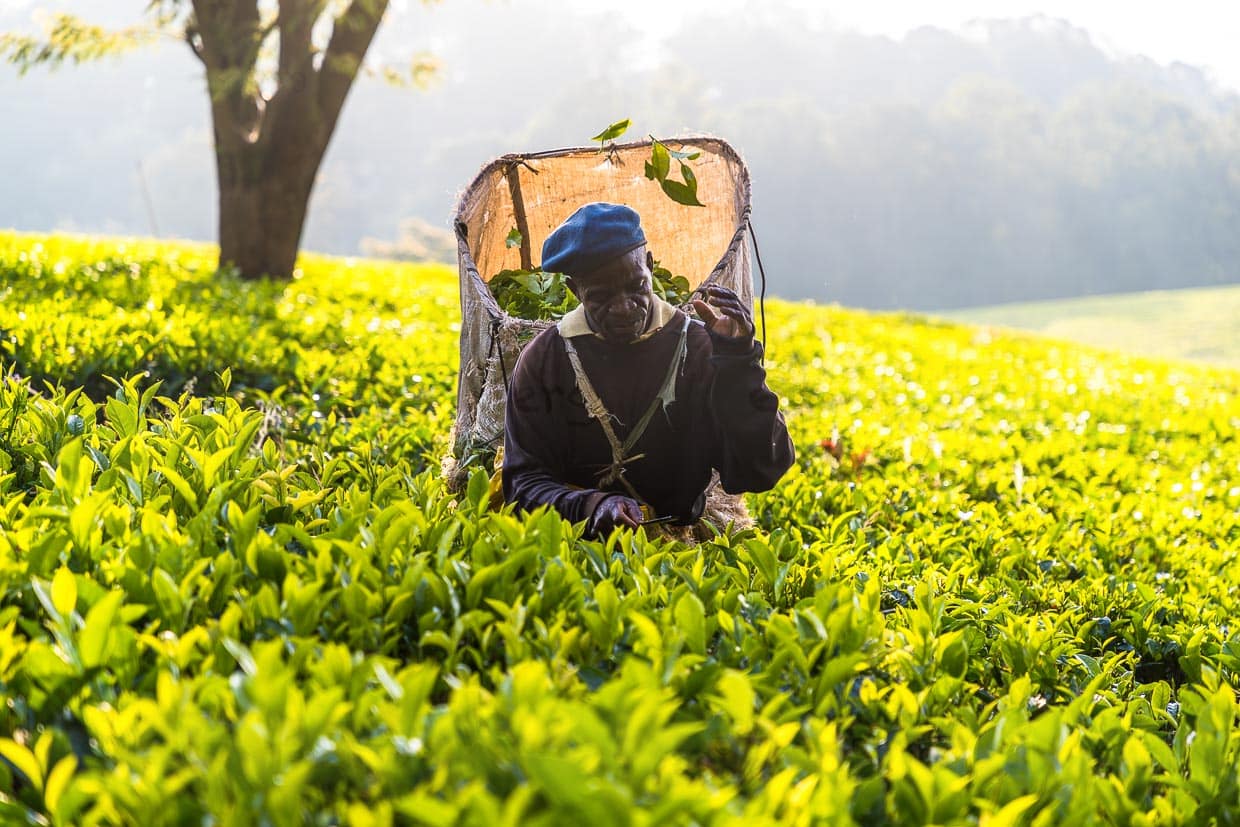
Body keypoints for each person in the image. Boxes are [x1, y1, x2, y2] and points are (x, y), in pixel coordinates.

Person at [502, 202, 794, 536]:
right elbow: (523, 483)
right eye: (601, 297)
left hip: (678, 544)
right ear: (574, 290)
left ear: (650, 266)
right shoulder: (545, 359)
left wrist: (738, 361)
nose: (624, 308)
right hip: (579, 542)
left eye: (637, 287)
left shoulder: (700, 348)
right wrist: (591, 505)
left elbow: (759, 471)